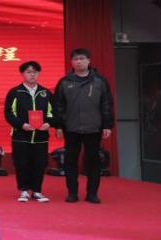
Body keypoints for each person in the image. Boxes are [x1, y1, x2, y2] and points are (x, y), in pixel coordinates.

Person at [52, 48, 114, 204]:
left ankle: (92, 193)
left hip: (94, 127)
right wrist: (58, 125)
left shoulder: (100, 81)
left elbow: (106, 104)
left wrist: (107, 124)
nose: (79, 62)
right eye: (75, 59)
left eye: (82, 59)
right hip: (71, 128)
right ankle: (72, 193)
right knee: (70, 161)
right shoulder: (65, 82)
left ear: (88, 61)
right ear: (72, 62)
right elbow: (58, 105)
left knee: (93, 161)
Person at [4, 61, 55, 203]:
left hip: (41, 136)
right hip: (21, 135)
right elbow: (9, 113)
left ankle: (37, 191)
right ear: (22, 74)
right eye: (28, 72)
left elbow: (53, 112)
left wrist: (48, 123)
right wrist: (21, 125)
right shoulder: (15, 92)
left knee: (40, 163)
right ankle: (24, 190)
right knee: (21, 163)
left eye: (35, 72)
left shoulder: (46, 93)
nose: (32, 75)